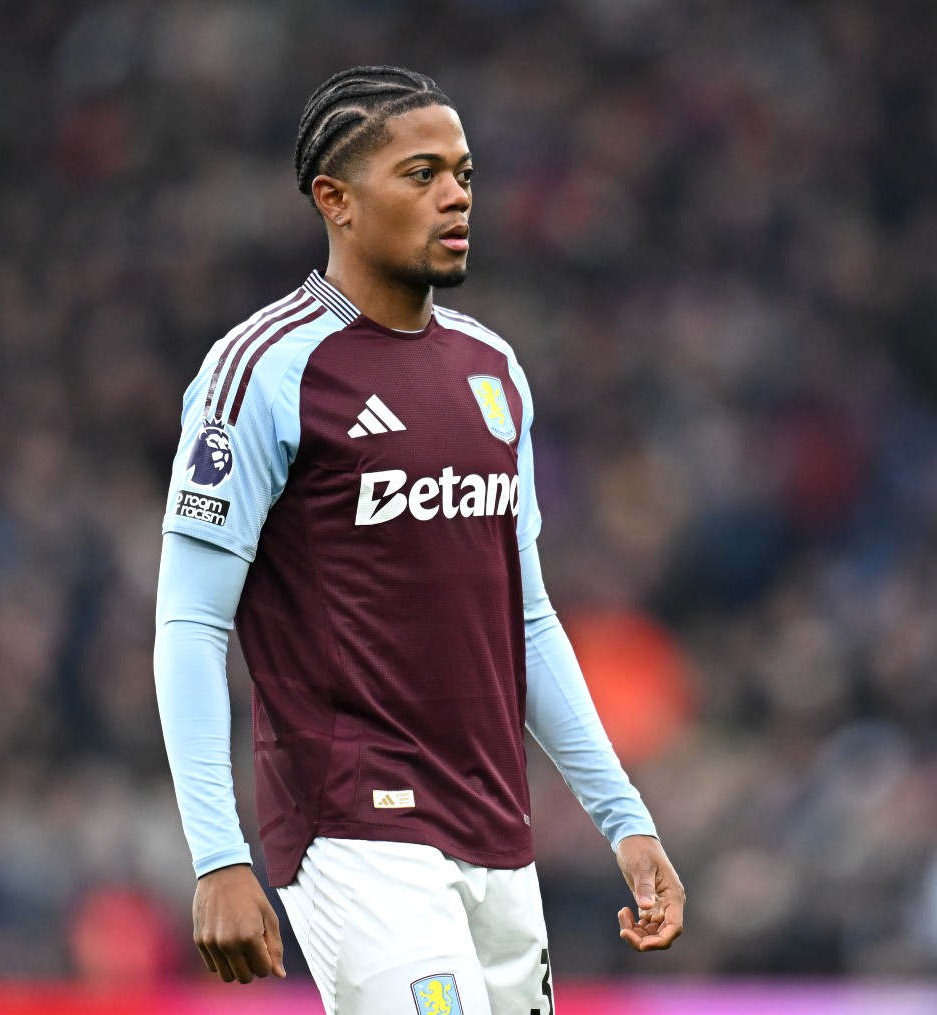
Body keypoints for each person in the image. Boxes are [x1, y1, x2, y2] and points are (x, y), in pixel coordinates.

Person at [154, 65, 685, 1015]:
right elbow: (190, 624)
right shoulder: (262, 370)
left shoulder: (495, 370)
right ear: (337, 200)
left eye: (467, 174)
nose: (456, 196)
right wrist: (218, 853)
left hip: (497, 832)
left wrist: (626, 820)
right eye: (423, 173)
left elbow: (523, 616)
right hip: (355, 832)